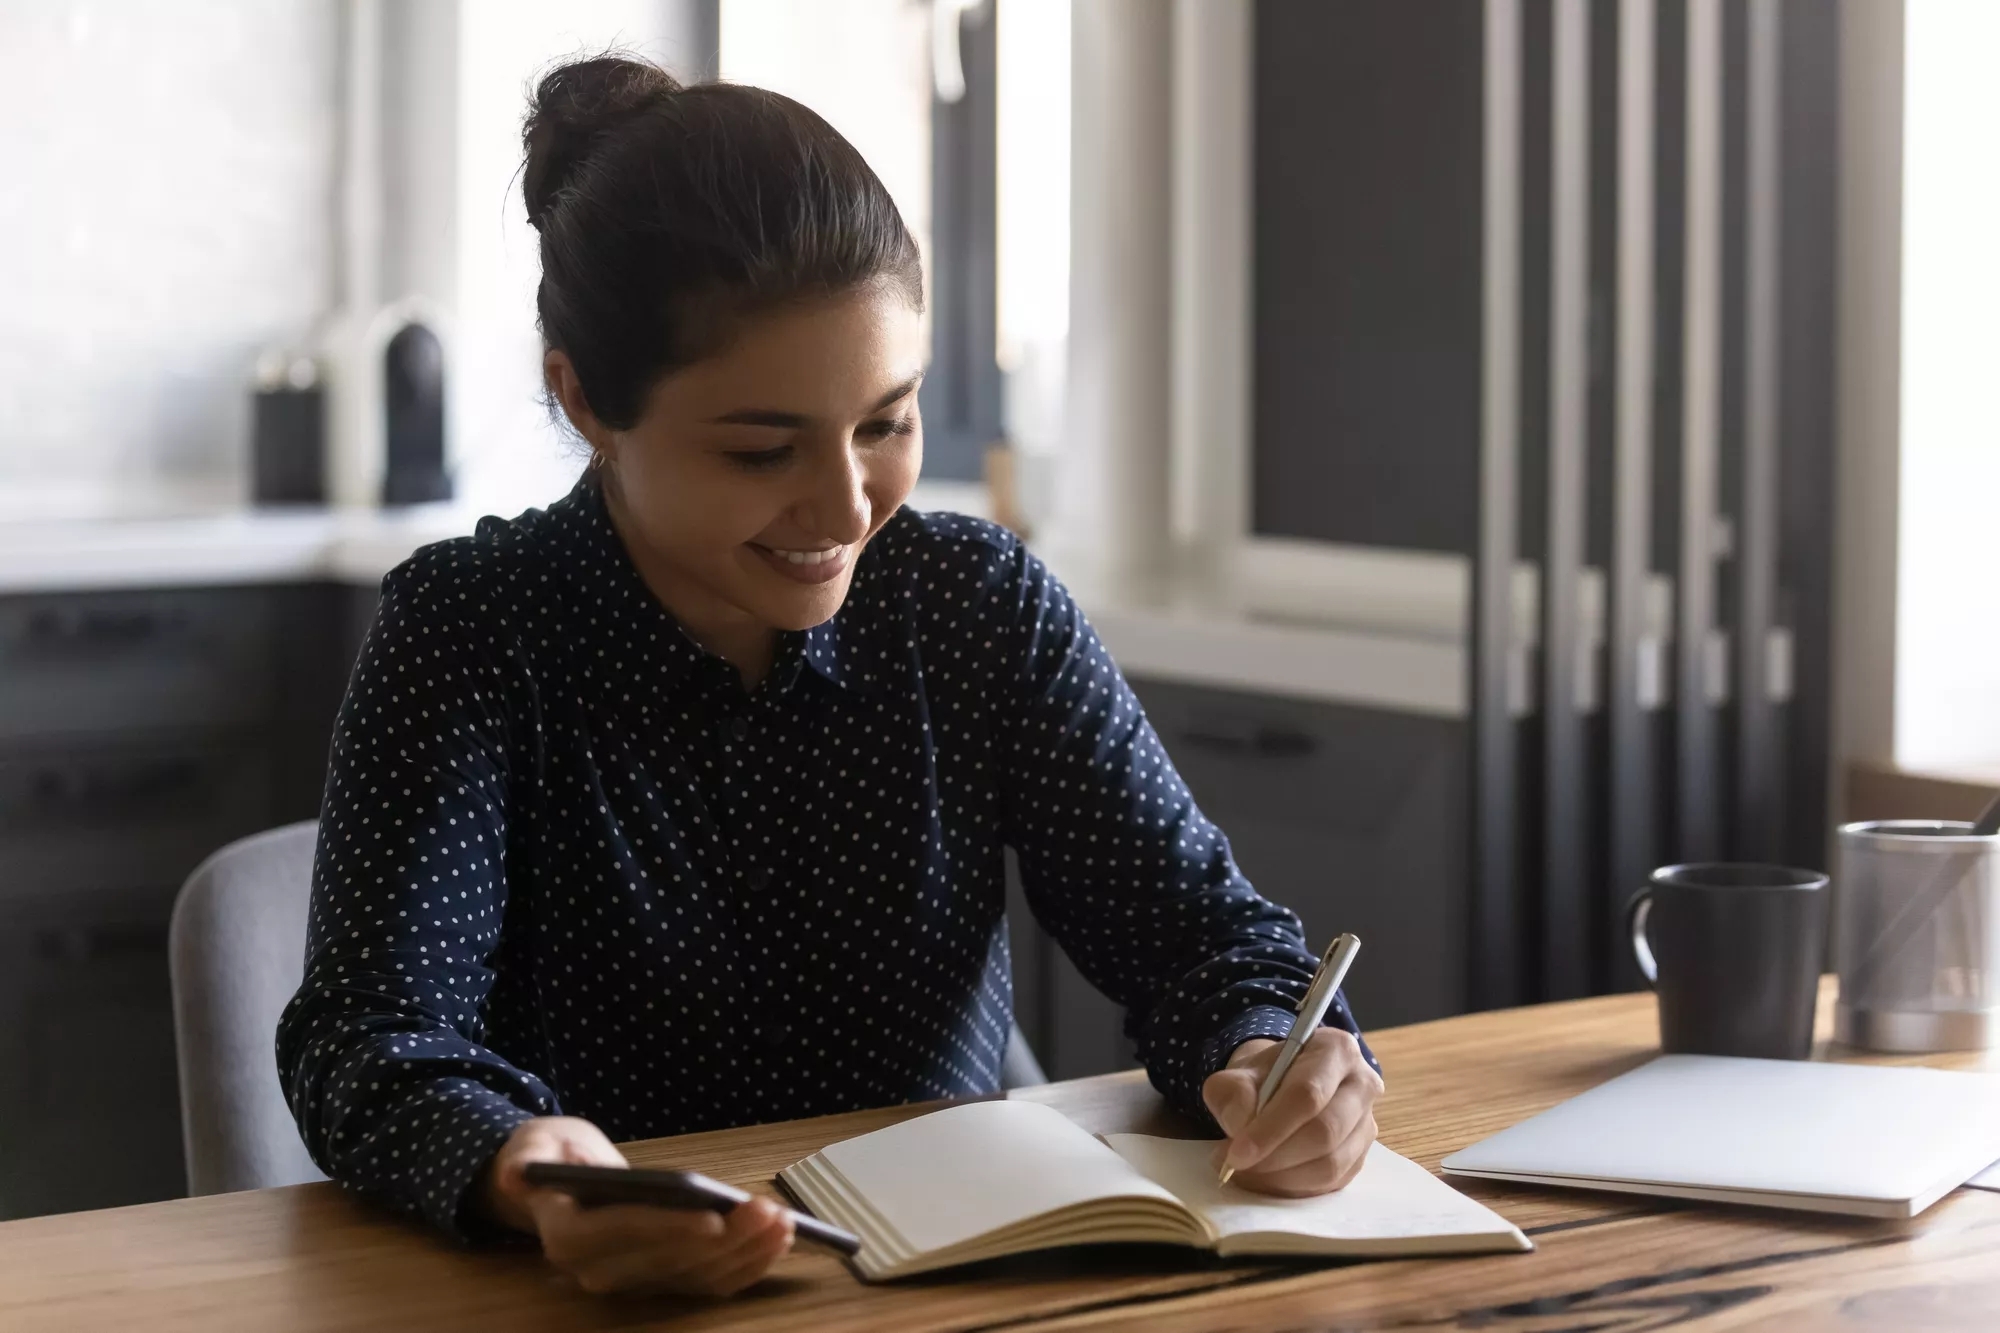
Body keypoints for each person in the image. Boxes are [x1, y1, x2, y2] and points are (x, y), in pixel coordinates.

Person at [277, 54, 1382, 1300]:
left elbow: (1203, 938)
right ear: (582, 397)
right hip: (607, 1298)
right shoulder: (473, 630)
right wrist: (523, 1169)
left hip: (952, 1288)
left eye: (886, 422)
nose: (846, 506)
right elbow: (373, 1041)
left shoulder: (973, 605)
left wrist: (1277, 1048)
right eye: (762, 449)